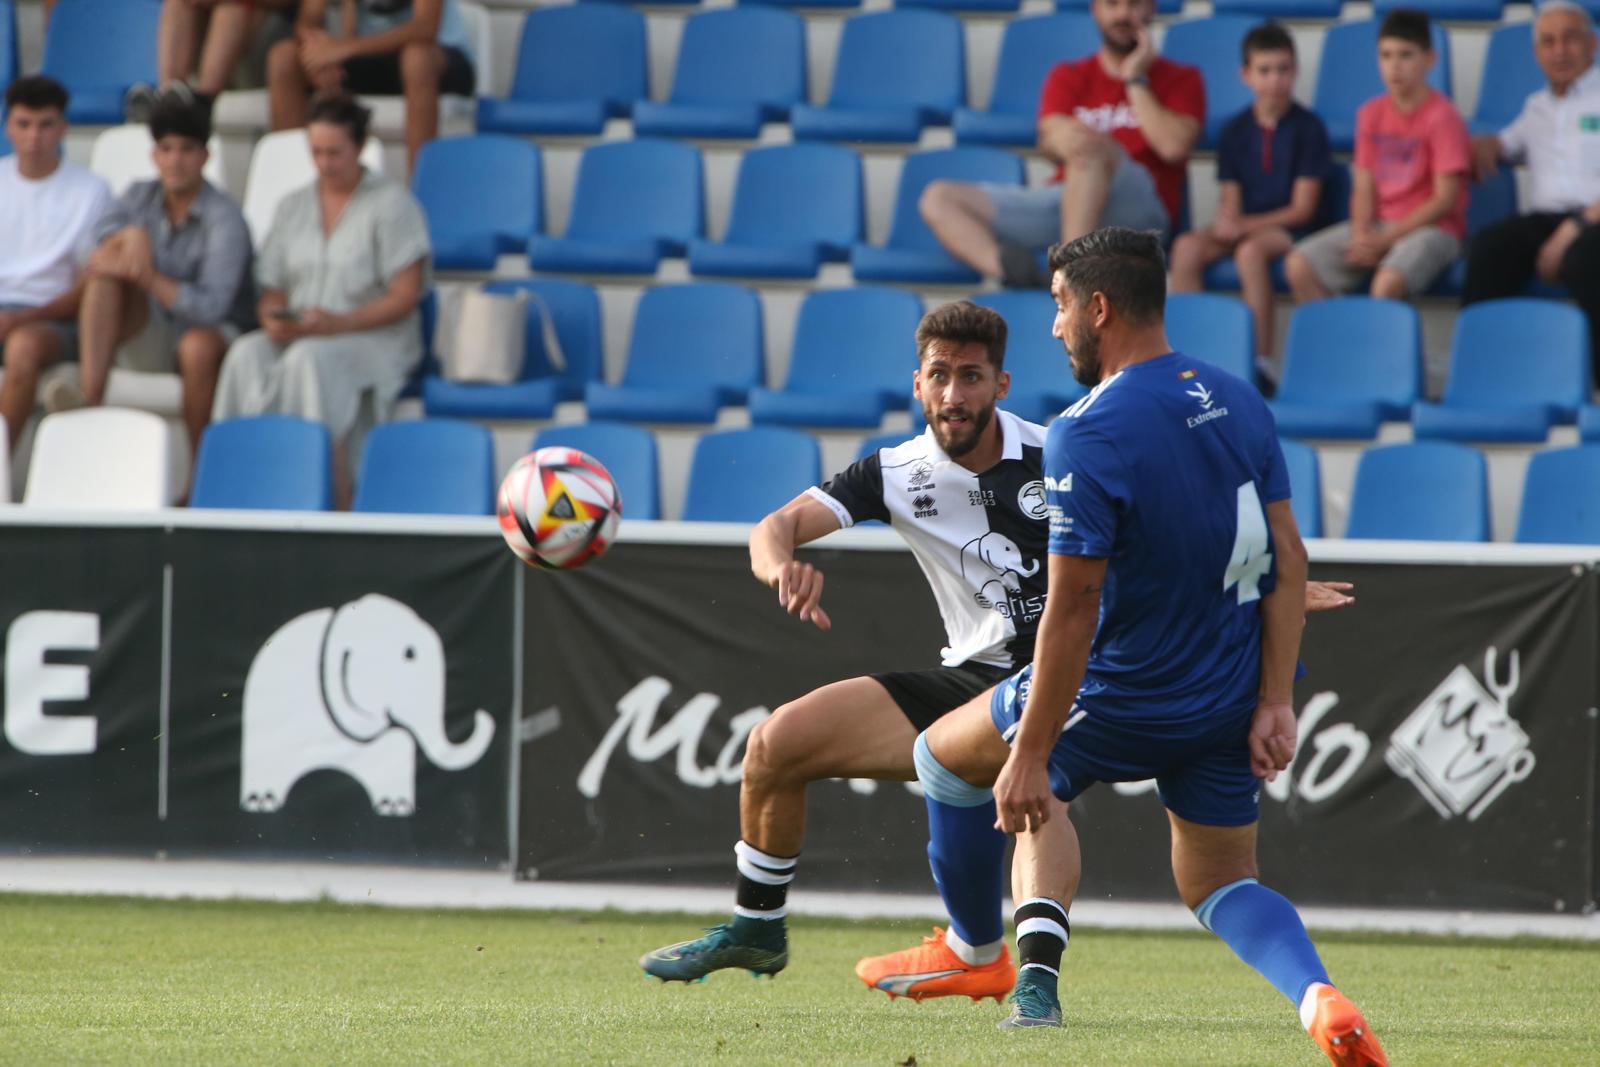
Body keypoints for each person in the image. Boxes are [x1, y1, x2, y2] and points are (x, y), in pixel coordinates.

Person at [638, 301, 1356, 999]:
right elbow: (776, 524)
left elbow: (1173, 531)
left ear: (1000, 385)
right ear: (917, 383)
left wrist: (1269, 585)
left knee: (1036, 795)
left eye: (972, 376)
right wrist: (780, 565)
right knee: (775, 743)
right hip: (970, 674)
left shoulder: (1059, 449)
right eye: (940, 374)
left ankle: (1031, 977)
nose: (955, 394)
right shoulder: (895, 472)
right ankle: (758, 926)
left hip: (1072, 674)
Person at [905, 229, 1386, 1065]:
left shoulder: (1082, 432)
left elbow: (1073, 609)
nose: (1055, 328)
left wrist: (1031, 751)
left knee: (948, 759)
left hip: (1120, 690)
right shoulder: (1238, 396)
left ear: (1098, 307)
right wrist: (1277, 698)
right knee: (1221, 882)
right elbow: (1288, 557)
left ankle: (1001, 967)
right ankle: (1320, 996)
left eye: (1059, 306)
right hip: (1229, 692)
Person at [212, 92, 429, 505]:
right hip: (305, 331)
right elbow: (272, 285)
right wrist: (274, 317)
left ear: (359, 147)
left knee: (309, 360)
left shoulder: (394, 205)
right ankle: (236, 485)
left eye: (335, 152)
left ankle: (321, 490)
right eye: (316, 152)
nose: (325, 163)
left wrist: (338, 324)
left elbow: (405, 296)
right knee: (245, 353)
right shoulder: (293, 206)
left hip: (378, 338)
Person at [920, 0, 1203, 287]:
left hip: (1140, 210)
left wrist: (1134, 79)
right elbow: (1049, 141)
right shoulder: (1069, 75)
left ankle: (1071, 279)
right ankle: (1024, 274)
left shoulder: (1181, 78)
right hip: (1070, 201)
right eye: (1112, 4)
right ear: (1095, 9)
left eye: (1133, 4)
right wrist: (1063, 137)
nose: (1122, 14)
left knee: (1092, 150)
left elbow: (1173, 147)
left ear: (1151, 9)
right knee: (939, 198)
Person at [48, 96, 254, 455]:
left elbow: (213, 308)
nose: (175, 160)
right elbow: (88, 255)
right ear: (154, 155)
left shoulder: (226, 218)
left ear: (205, 156)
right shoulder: (137, 195)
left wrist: (148, 278)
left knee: (197, 347)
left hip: (208, 334)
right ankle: (88, 398)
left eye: (187, 149)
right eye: (166, 148)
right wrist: (131, 237)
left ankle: (200, 471)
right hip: (151, 330)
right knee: (103, 277)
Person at [1168, 23, 1329, 363]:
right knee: (1185, 248)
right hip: (1249, 225)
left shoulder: (1309, 128)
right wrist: (1227, 223)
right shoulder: (1234, 130)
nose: (1275, 80)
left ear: (1295, 72)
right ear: (1246, 75)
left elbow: (1302, 210)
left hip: (1291, 232)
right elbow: (1231, 196)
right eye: (1265, 71)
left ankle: (1258, 360)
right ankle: (1185, 362)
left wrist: (1242, 226)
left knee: (1250, 252)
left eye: (1283, 70)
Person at [1286, 8, 1468, 304]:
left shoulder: (1443, 116)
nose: (1395, 66)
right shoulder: (1370, 113)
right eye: (1386, 55)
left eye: (1405, 55)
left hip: (1433, 231)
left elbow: (1445, 199)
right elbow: (1363, 185)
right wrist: (1361, 233)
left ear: (1430, 59)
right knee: (1299, 264)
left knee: (1386, 282)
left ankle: (1382, 350)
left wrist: (1387, 241)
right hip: (1379, 225)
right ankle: (1336, 346)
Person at [1463, 0, 1600, 376]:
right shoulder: (1535, 106)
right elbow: (1503, 143)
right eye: (1548, 42)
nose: (1559, 51)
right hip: (1546, 220)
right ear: (1537, 53)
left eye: (1570, 39)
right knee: (1490, 249)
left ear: (1593, 44)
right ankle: (1481, 374)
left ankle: (1595, 388)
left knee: (1587, 259)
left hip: (1595, 220)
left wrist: (1575, 228)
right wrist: (1483, 143)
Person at [0, 76, 113, 454]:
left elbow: (89, 286)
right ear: (8, 127)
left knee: (22, 348)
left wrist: (21, 319)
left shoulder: (91, 190)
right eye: (24, 124)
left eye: (45, 124)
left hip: (55, 321)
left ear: (63, 128)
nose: (34, 137)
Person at [267, 0, 476, 170]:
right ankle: (297, 184)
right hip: (367, 54)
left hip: (439, 57)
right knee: (283, 58)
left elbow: (426, 27)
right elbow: (307, 22)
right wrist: (320, 58)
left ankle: (422, 193)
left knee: (416, 59)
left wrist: (343, 49)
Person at [127, 0, 301, 120]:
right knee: (178, 2)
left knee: (233, 5)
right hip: (207, 37)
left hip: (267, 40)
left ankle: (202, 105)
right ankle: (167, 95)